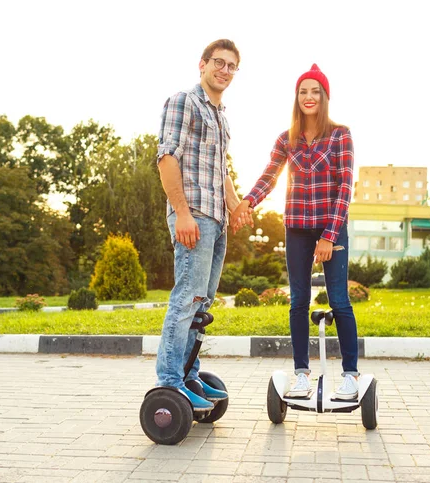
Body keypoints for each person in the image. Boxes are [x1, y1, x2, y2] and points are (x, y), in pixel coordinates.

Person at [232, 64, 359, 400]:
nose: (309, 97)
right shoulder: (285, 139)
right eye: (303, 91)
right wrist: (248, 202)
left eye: (315, 91)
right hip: (298, 230)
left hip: (332, 228)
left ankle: (350, 375)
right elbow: (270, 176)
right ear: (296, 97)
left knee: (339, 301)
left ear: (325, 97)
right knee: (298, 301)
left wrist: (329, 236)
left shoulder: (340, 135)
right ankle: (301, 374)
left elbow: (345, 187)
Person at [155, 39, 251, 411]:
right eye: (219, 63)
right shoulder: (184, 102)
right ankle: (170, 381)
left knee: (202, 304)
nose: (224, 70)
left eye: (231, 66)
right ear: (203, 64)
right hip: (192, 215)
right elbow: (166, 157)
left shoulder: (220, 115)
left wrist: (235, 204)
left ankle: (189, 373)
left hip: (217, 219)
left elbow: (220, 170)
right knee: (186, 300)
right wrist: (181, 212)